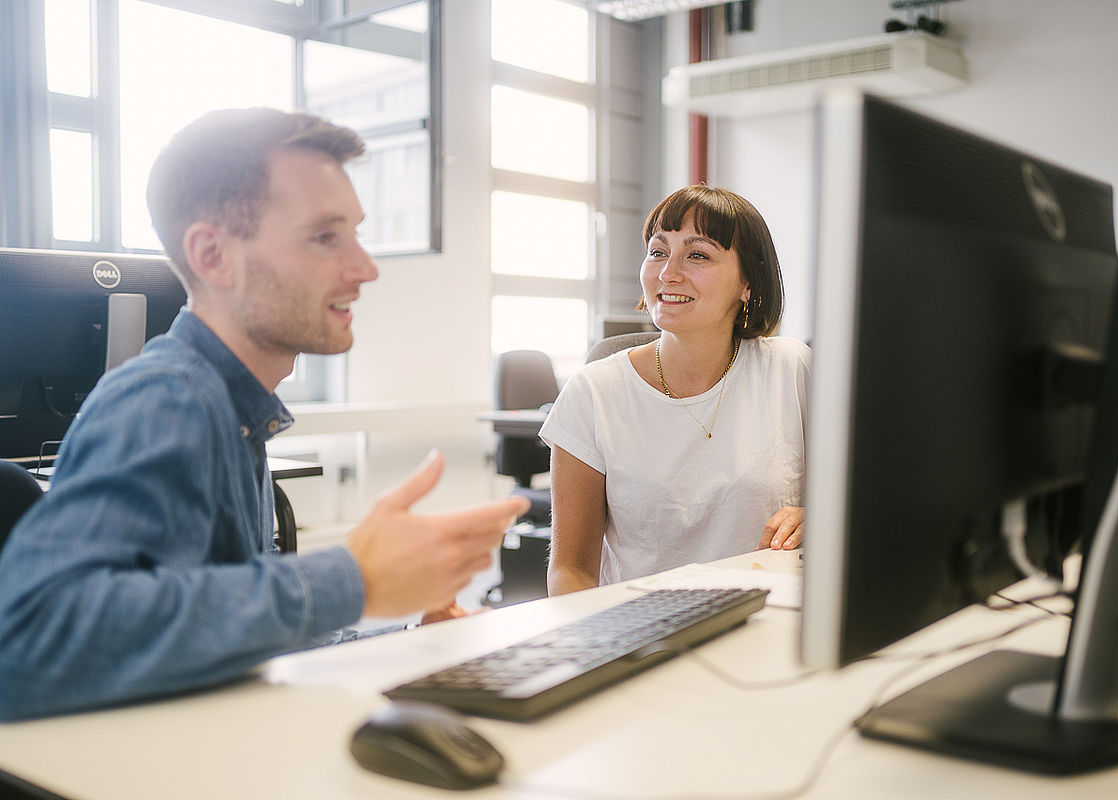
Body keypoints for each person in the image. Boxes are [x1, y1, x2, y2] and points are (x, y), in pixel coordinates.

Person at [0, 108, 528, 721]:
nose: (365, 267)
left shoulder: (233, 410)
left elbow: (220, 641)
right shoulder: (168, 401)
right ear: (213, 255)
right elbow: (32, 645)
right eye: (326, 237)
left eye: (356, 234)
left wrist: (412, 640)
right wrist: (354, 577)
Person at [541, 185, 810, 595]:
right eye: (658, 251)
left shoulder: (792, 369)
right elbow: (571, 570)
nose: (668, 273)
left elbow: (863, 503)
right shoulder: (592, 392)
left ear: (748, 283)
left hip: (772, 619)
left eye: (697, 254)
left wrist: (822, 518)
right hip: (642, 633)